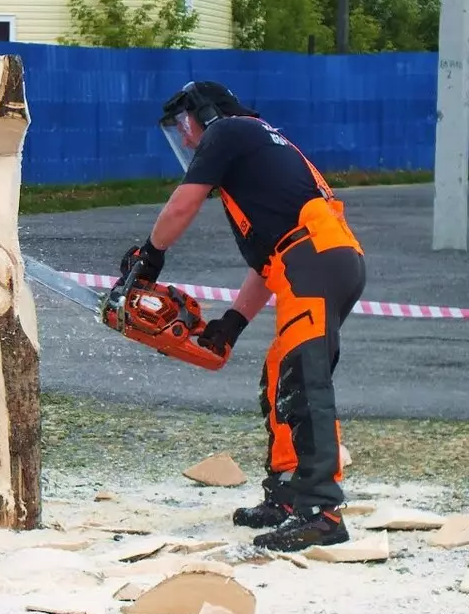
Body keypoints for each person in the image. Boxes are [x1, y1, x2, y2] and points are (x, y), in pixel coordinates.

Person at [115, 80, 366, 552]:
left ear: (202, 113)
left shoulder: (229, 131)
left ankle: (321, 512)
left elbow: (183, 203)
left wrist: (151, 255)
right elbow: (267, 263)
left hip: (312, 259)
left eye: (185, 128)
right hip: (311, 258)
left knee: (305, 380)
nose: (186, 140)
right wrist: (230, 325)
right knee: (281, 376)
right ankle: (289, 496)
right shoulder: (256, 151)